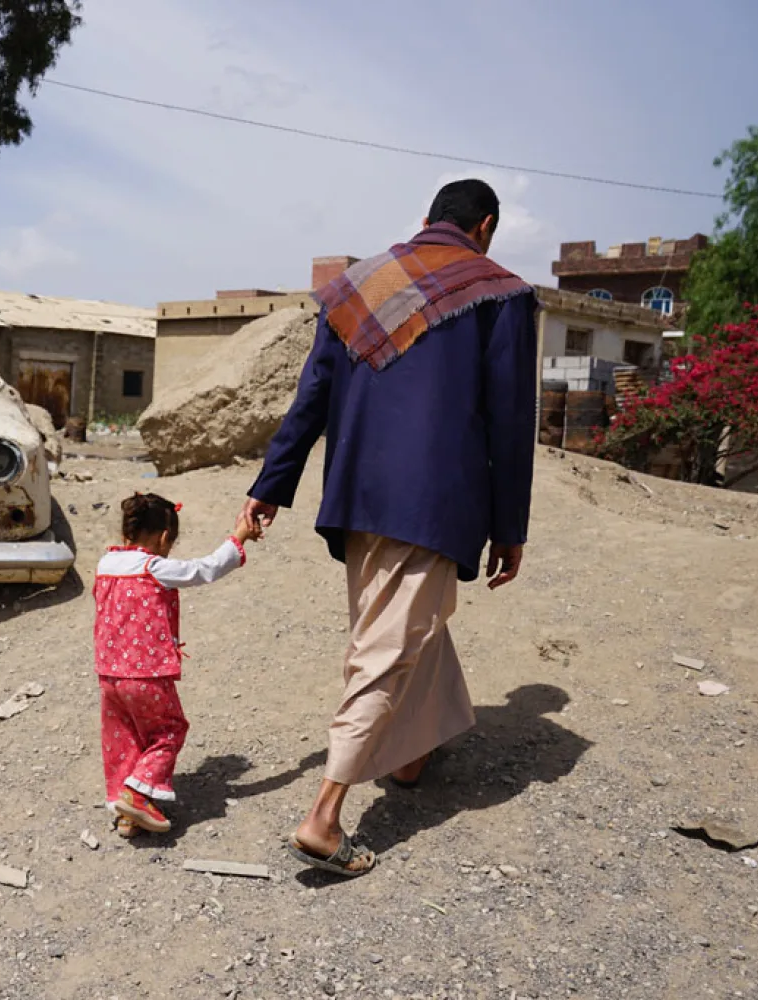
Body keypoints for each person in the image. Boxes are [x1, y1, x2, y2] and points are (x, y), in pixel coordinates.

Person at [242, 178, 538, 877]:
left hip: (355, 495)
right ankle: (324, 816)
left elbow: (312, 395)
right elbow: (510, 420)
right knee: (385, 647)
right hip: (433, 503)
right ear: (485, 227)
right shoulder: (498, 292)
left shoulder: (360, 286)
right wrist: (509, 524)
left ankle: (409, 757)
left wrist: (271, 485)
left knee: (403, 627)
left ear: (429, 218)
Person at [94, 493, 260, 837]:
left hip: (109, 675)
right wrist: (239, 536)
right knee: (168, 730)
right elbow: (206, 568)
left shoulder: (104, 565)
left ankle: (126, 812)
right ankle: (138, 796)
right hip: (147, 674)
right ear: (165, 537)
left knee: (124, 736)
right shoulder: (154, 567)